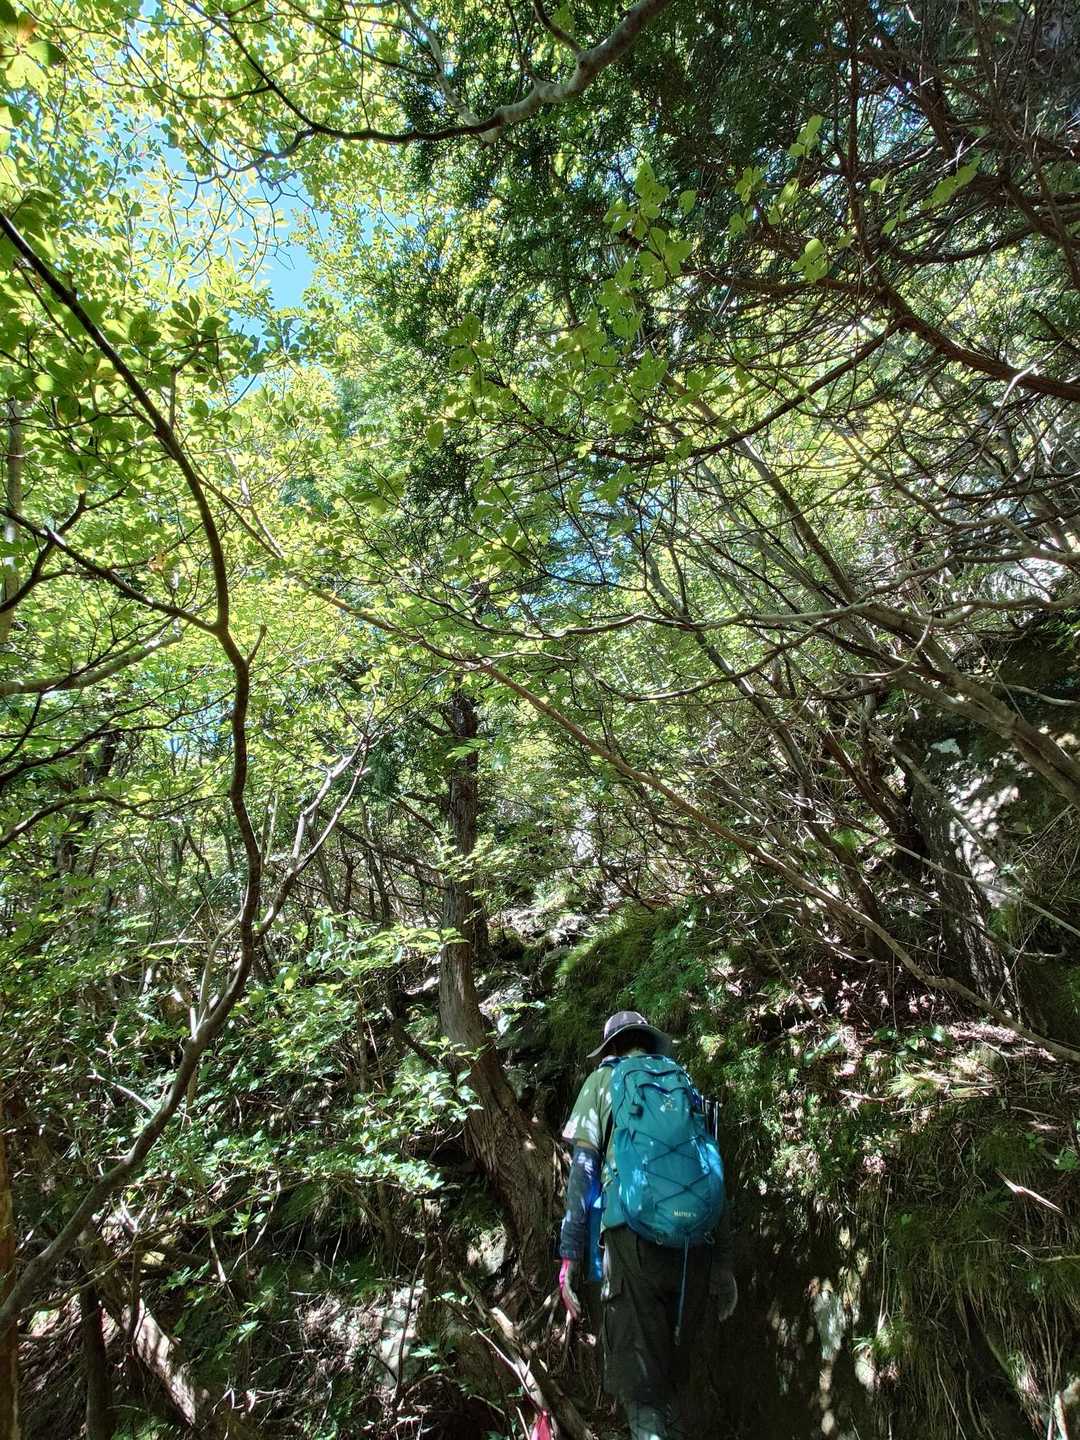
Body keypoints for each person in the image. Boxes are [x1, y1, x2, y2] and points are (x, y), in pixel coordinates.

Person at [557, 1010, 737, 1440]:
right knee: (674, 1379)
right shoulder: (682, 1084)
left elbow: (583, 1172)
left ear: (610, 1048)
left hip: (631, 1241)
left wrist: (569, 1257)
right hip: (693, 1245)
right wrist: (722, 1263)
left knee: (642, 1388)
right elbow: (711, 1171)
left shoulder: (602, 1082)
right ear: (648, 1041)